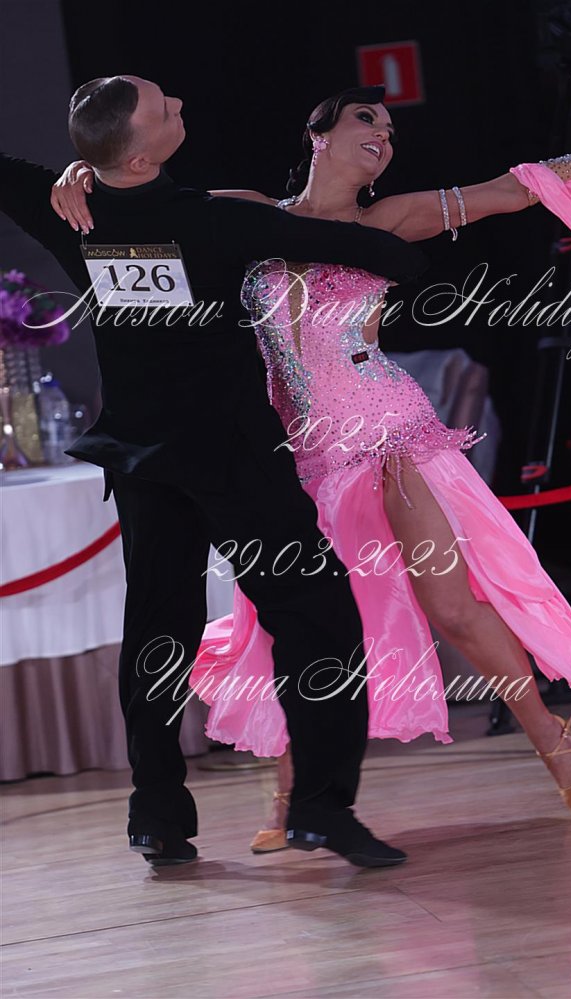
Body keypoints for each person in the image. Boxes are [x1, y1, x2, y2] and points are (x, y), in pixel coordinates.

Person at [51, 86, 571, 854]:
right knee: (289, 623)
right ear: (318, 135)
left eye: (391, 128)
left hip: (391, 432)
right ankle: (291, 792)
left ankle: (550, 736)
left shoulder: (391, 217)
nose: (383, 135)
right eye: (365, 120)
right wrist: (83, 171)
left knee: (452, 604)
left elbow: (508, 191)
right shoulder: (247, 213)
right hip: (299, 454)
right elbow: (138, 193)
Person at [1, 76, 430, 869]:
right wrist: (397, 254)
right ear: (139, 154)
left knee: (157, 631)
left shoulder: (73, 211)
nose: (181, 108)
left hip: (144, 461)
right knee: (318, 616)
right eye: (165, 109)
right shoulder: (212, 221)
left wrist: (80, 172)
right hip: (231, 460)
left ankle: (156, 814)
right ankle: (321, 808)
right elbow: (362, 248)